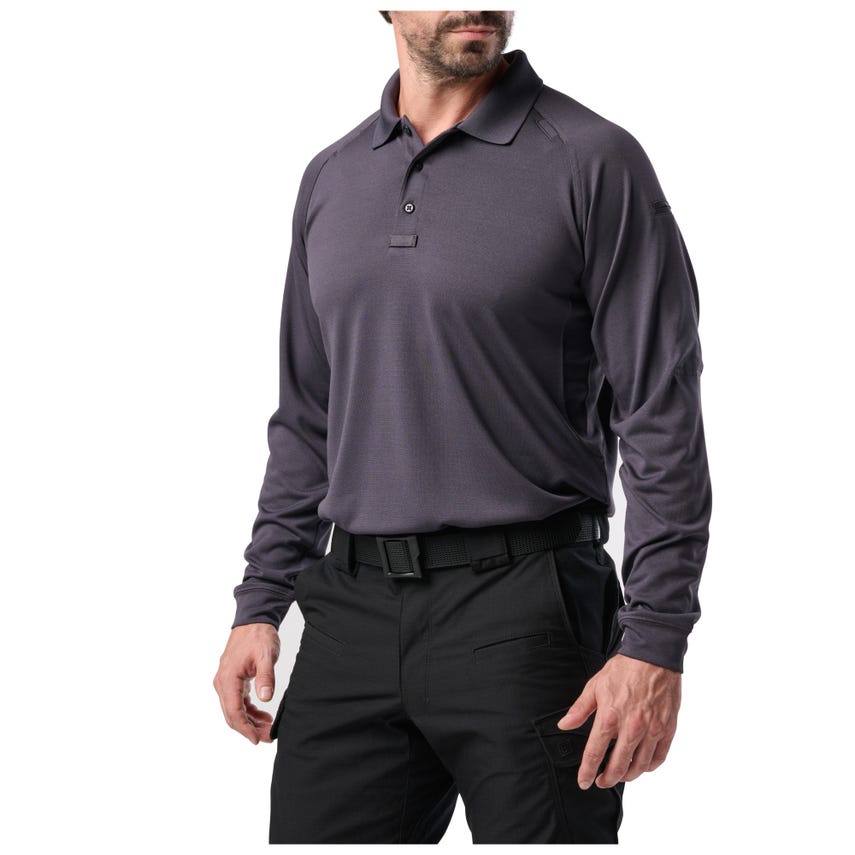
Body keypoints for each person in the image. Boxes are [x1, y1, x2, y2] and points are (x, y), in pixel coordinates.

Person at [212, 9, 712, 844]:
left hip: (527, 611)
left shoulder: (592, 160)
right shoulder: (331, 176)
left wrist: (655, 641)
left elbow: (661, 415)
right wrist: (260, 600)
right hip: (349, 612)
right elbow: (308, 417)